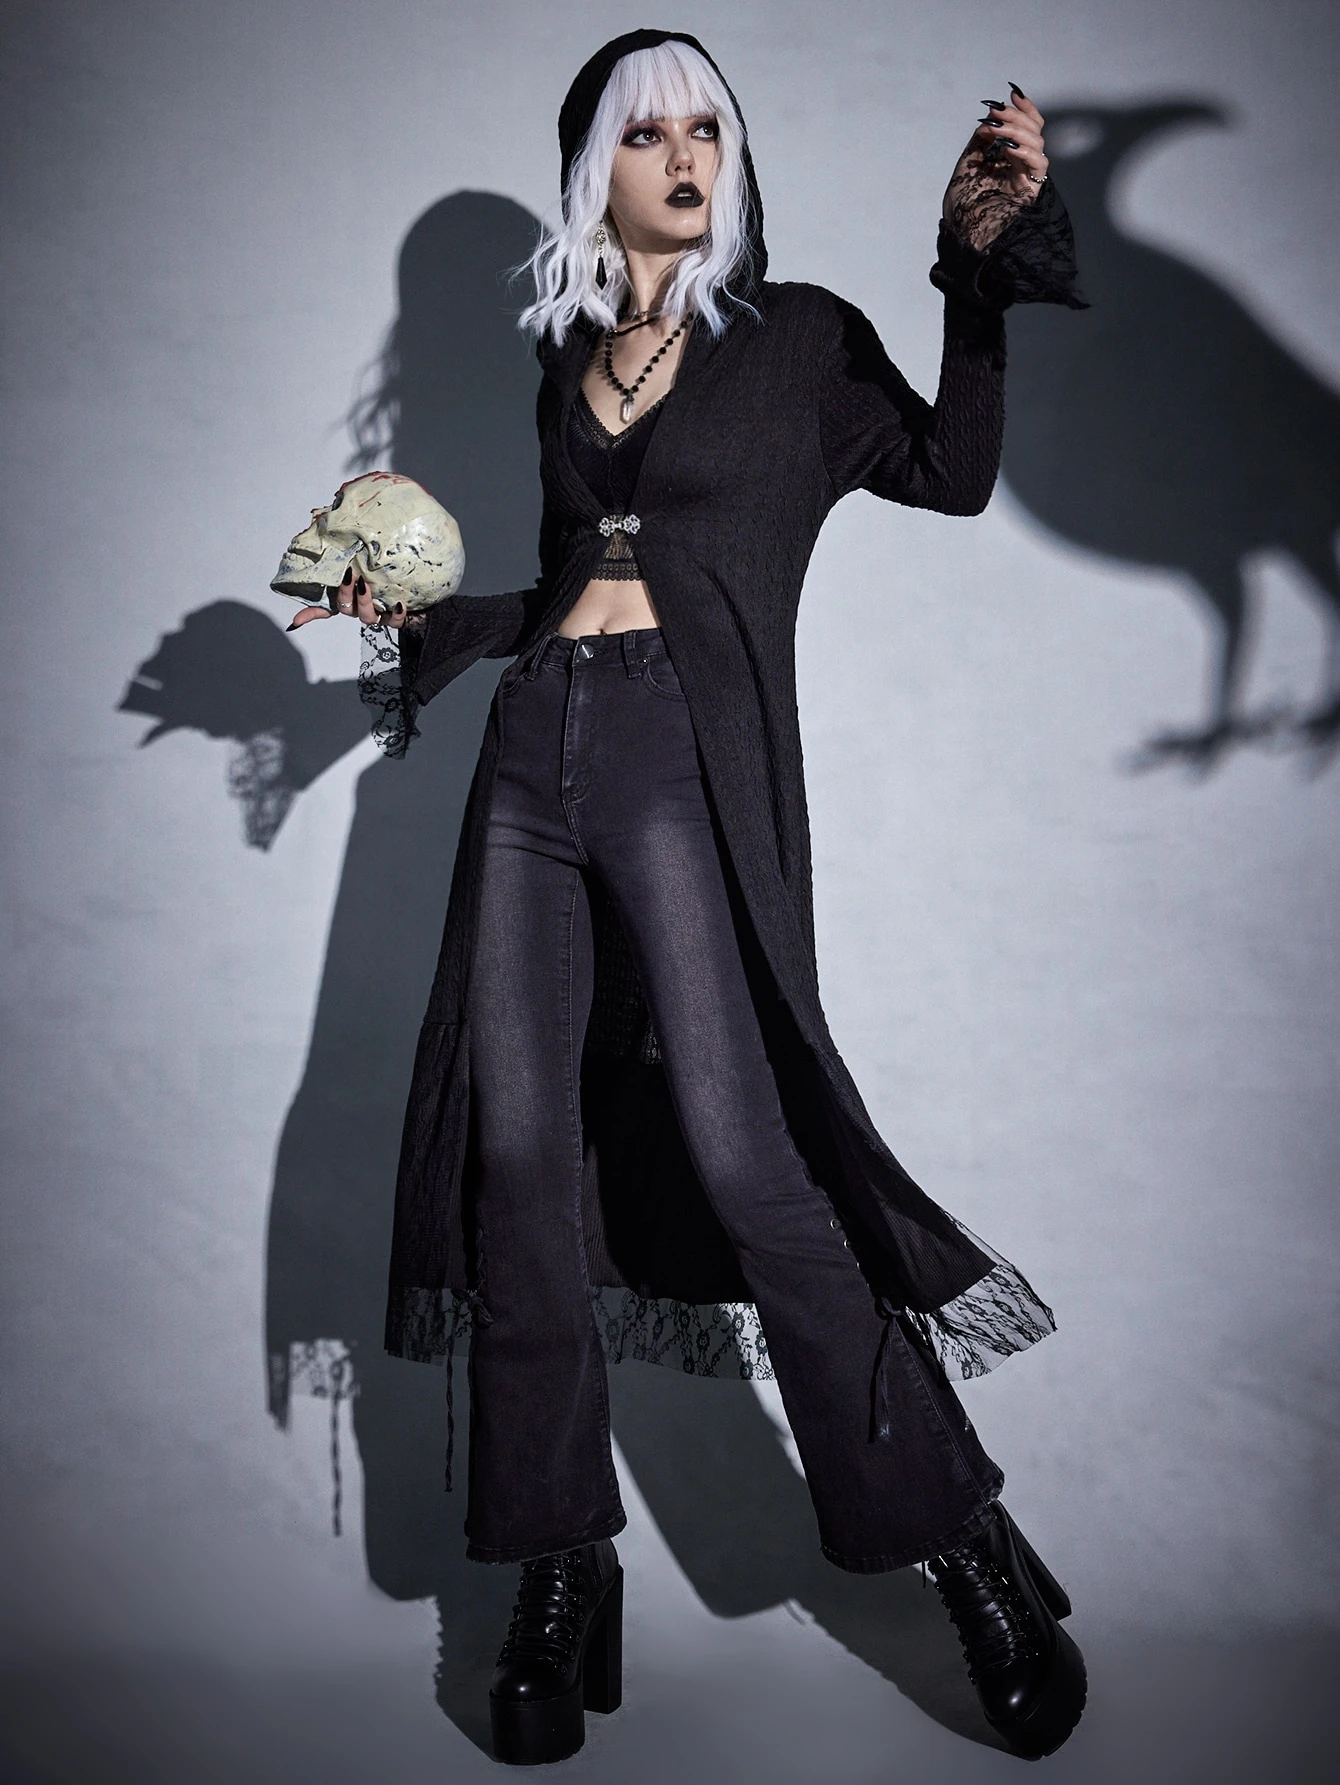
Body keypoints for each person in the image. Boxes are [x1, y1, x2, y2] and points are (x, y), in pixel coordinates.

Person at [289, 28, 1089, 1766]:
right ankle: (559, 1565)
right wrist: (411, 622)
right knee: (518, 1168)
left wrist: (976, 279)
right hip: (534, 753)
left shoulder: (796, 340)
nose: (685, 156)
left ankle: (959, 1536)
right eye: (648, 132)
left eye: (707, 128)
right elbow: (566, 582)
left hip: (681, 759)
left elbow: (951, 473)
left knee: (746, 1157)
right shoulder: (568, 350)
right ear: (596, 164)